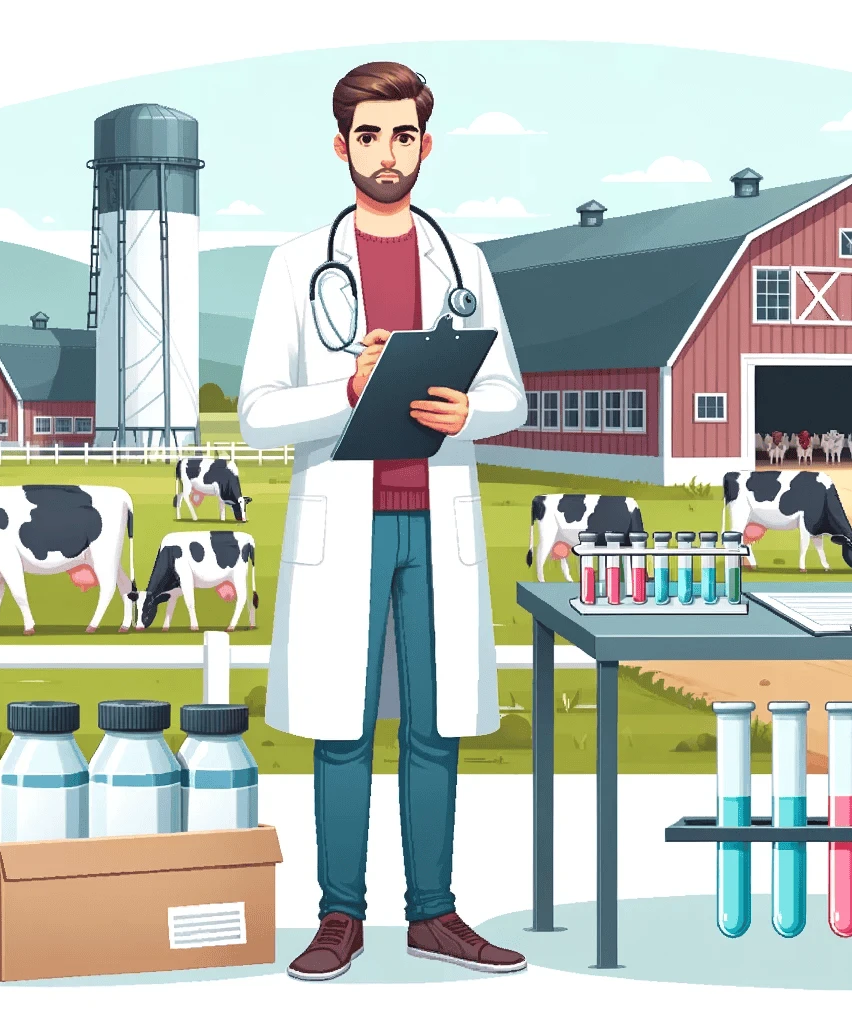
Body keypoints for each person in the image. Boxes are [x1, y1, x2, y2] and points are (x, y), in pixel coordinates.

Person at [236, 60, 528, 982]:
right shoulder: (296, 264)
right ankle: (339, 917)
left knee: (437, 725)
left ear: (426, 145)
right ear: (341, 146)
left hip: (435, 521)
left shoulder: (463, 262)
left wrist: (466, 414)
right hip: (345, 521)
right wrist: (347, 389)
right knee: (343, 725)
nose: (388, 152)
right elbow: (256, 413)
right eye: (369, 135)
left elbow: (512, 393)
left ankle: (435, 914)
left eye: (404, 134)